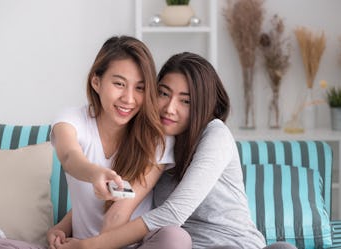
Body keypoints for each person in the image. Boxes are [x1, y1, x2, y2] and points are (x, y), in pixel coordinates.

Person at [52, 52, 297, 249]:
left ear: (203, 104)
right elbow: (123, 194)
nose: (170, 108)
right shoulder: (154, 140)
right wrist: (64, 225)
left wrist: (90, 246)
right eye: (163, 94)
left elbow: (173, 213)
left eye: (185, 101)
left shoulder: (215, 134)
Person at [0, 36, 176, 249]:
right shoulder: (71, 119)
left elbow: (118, 213)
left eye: (139, 88)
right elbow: (69, 156)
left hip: (123, 246)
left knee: (175, 238)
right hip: (77, 245)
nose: (129, 99)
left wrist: (85, 246)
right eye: (119, 84)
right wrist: (94, 176)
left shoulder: (157, 138)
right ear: (96, 81)